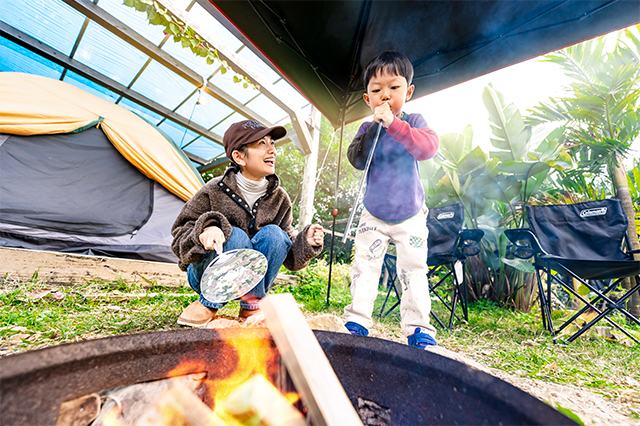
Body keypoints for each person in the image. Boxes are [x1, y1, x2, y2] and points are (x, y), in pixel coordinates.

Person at [172, 120, 324, 327]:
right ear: (239, 157)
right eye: (262, 143)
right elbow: (180, 232)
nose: (273, 150)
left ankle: (252, 306)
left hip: (252, 281)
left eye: (272, 143)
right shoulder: (213, 189)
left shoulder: (280, 198)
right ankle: (209, 303)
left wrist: (305, 243)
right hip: (206, 275)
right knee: (236, 236)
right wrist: (206, 228)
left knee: (275, 234)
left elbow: (287, 251)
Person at [344, 51, 440, 348]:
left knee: (413, 270)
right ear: (367, 98)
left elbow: (428, 149)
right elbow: (356, 160)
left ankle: (418, 328)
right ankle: (357, 321)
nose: (385, 95)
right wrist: (376, 126)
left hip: (410, 213)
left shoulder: (414, 121)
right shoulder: (367, 127)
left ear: (408, 92)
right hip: (373, 213)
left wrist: (394, 125)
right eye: (376, 90)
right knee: (365, 266)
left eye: (394, 87)